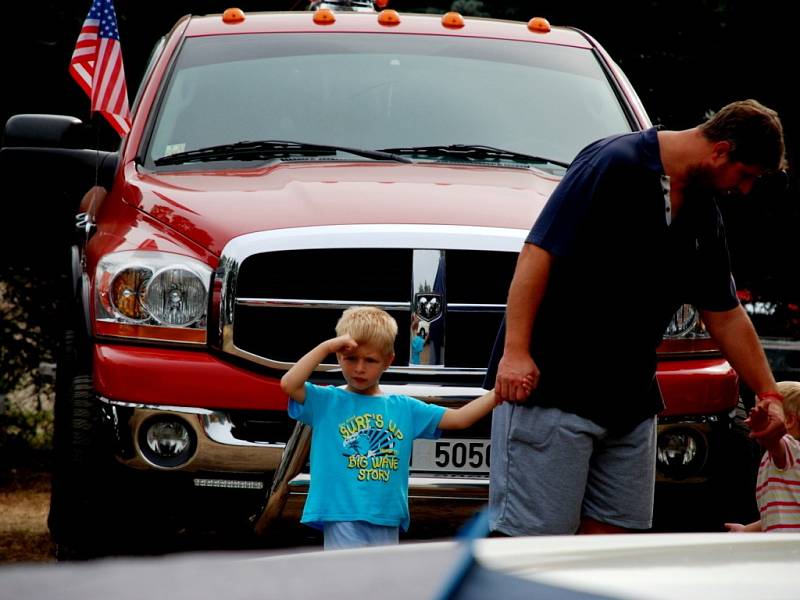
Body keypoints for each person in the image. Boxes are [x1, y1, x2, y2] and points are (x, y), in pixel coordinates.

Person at [486, 99, 788, 537]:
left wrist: (768, 393)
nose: (743, 190)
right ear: (721, 150)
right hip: (553, 388)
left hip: (630, 402)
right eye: (745, 176)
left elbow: (724, 311)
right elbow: (538, 253)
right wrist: (514, 352)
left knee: (613, 551)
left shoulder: (703, 208)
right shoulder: (614, 163)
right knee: (534, 550)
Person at [281, 306, 525, 550]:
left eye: (370, 360)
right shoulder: (327, 401)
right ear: (338, 357)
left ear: (388, 361)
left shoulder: (403, 408)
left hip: (387, 516)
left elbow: (459, 418)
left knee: (381, 583)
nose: (359, 368)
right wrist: (327, 346)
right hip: (341, 514)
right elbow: (290, 383)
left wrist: (499, 392)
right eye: (351, 359)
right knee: (351, 579)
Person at [725, 381, 800, 532]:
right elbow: (773, 516)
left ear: (789, 421)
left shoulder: (790, 450)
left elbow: (773, 440)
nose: (753, 416)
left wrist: (762, 426)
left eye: (766, 414)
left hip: (789, 548)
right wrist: (746, 530)